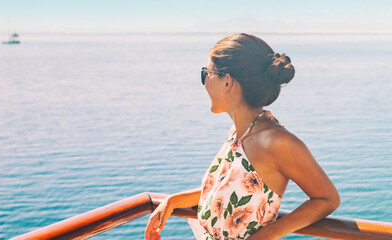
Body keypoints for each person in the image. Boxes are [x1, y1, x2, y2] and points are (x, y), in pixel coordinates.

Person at [145, 33, 340, 240]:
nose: (204, 83)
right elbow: (225, 193)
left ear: (227, 82)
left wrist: (268, 235)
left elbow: (327, 198)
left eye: (206, 73)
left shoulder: (276, 142)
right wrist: (173, 201)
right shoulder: (239, 134)